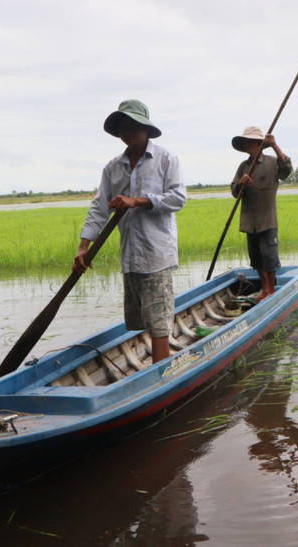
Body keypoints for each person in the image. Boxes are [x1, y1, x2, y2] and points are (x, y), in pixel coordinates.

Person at [74, 99, 186, 363]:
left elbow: (178, 198)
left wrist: (137, 200)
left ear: (146, 127)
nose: (127, 130)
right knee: (145, 322)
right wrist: (83, 247)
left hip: (156, 256)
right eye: (122, 126)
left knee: (159, 327)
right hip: (131, 258)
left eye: (133, 124)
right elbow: (99, 208)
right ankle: (154, 370)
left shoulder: (165, 159)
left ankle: (160, 379)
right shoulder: (113, 168)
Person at [230, 126, 292, 301]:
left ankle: (271, 291)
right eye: (247, 142)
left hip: (267, 220)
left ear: (260, 144)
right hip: (250, 221)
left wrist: (275, 145)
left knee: (270, 258)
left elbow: (287, 169)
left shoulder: (272, 162)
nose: (250, 145)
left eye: (253, 142)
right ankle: (264, 290)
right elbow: (235, 191)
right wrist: (241, 183)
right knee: (256, 259)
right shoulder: (243, 167)